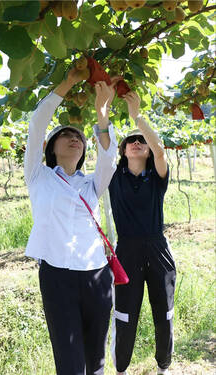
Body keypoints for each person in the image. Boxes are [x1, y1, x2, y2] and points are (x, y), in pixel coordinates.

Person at [24, 67, 120, 375]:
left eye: (78, 136)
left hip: (97, 275)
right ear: (51, 148)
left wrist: (102, 114)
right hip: (57, 276)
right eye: (64, 136)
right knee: (69, 362)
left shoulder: (91, 184)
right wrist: (69, 82)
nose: (73, 139)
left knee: (96, 361)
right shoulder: (38, 176)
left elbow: (109, 158)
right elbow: (37, 124)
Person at [109, 91, 176, 375]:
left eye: (142, 141)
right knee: (125, 312)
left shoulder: (157, 178)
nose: (137, 143)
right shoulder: (113, 177)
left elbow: (160, 151)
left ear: (147, 149)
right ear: (123, 150)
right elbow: (103, 145)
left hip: (157, 248)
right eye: (131, 141)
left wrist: (137, 116)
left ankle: (164, 366)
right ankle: (121, 369)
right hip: (126, 250)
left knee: (164, 310)